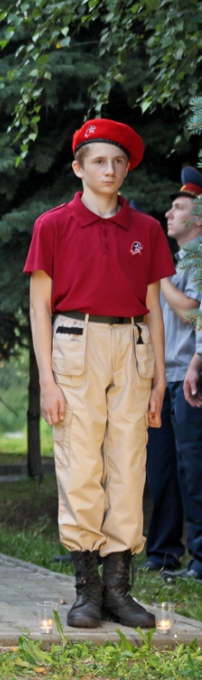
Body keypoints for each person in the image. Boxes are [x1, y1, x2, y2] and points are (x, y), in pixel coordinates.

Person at [25, 118, 172, 629]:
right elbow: (39, 307)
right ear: (78, 168)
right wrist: (47, 381)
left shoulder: (146, 230)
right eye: (99, 161)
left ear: (127, 169)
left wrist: (160, 378)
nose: (109, 170)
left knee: (129, 464)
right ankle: (86, 589)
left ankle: (118, 589)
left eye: (118, 162)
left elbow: (153, 308)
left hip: (132, 345)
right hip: (75, 343)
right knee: (80, 463)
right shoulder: (53, 225)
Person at [166, 168, 202, 581]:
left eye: (179, 207)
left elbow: (192, 314)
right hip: (172, 376)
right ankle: (169, 552)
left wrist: (159, 277)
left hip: (193, 376)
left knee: (195, 468)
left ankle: (201, 557)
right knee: (178, 468)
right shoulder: (180, 261)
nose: (169, 213)